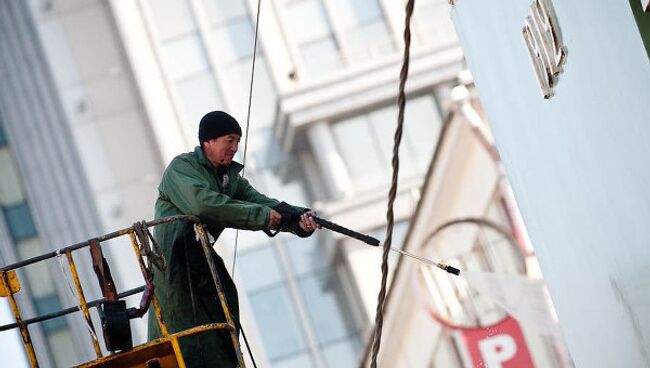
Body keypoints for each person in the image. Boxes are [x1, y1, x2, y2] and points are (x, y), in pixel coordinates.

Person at [147, 111, 320, 367]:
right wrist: (261, 216)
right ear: (208, 141)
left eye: (237, 141)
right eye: (230, 140)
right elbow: (203, 205)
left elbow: (263, 203)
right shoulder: (182, 168)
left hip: (199, 261)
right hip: (173, 267)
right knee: (183, 330)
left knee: (223, 310)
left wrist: (298, 219)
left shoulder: (229, 180)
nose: (235, 148)